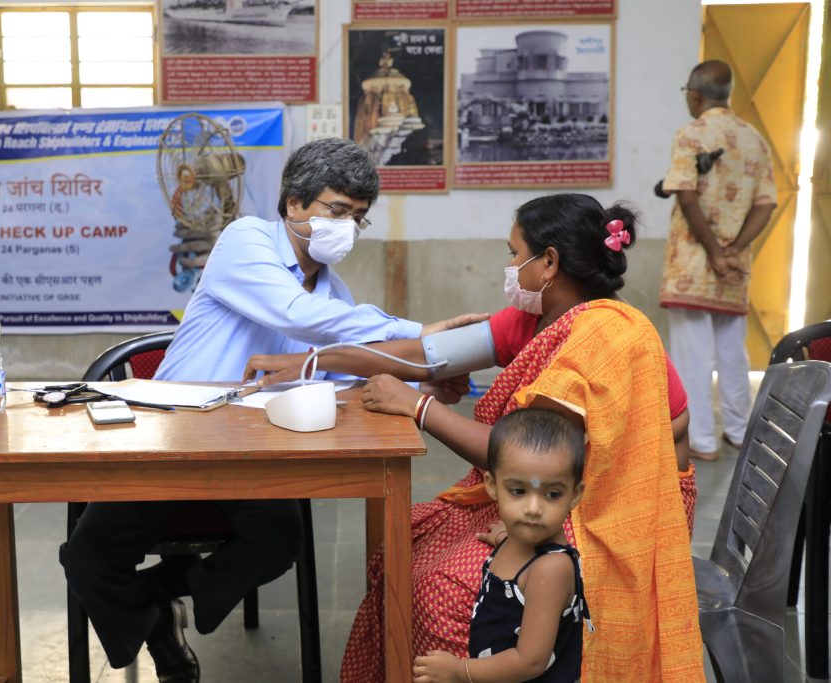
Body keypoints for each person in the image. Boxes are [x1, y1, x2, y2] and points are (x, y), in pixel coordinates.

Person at [59, 137, 481, 683]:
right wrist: (420, 335)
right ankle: (159, 626)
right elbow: (302, 318)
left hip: (258, 447)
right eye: (336, 210)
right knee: (88, 559)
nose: (346, 227)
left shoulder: (335, 294)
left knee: (278, 539)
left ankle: (169, 592)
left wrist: (426, 371)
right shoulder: (246, 240)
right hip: (174, 434)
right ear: (294, 205)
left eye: (358, 218)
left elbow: (344, 363)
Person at [244, 193, 704, 681]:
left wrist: (417, 406)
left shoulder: (605, 335)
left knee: (440, 585)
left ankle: (467, 668)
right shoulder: (540, 317)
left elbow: (536, 458)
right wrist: (312, 362)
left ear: (548, 263)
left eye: (513, 253)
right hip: (550, 490)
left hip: (609, 509)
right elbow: (419, 354)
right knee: (407, 550)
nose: (508, 267)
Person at [413, 408, 591, 683]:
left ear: (574, 495)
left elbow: (530, 661)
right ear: (493, 486)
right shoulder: (517, 540)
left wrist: (460, 671)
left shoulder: (550, 569)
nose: (533, 508)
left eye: (552, 494)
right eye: (518, 491)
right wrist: (503, 539)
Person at [660, 59, 776, 461]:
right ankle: (741, 432)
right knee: (732, 353)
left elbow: (685, 194)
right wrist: (732, 250)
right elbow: (765, 204)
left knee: (692, 357)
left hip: (693, 265)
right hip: (734, 267)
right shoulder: (753, 138)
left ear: (694, 93)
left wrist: (711, 251)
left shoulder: (691, 133)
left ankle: (702, 442)